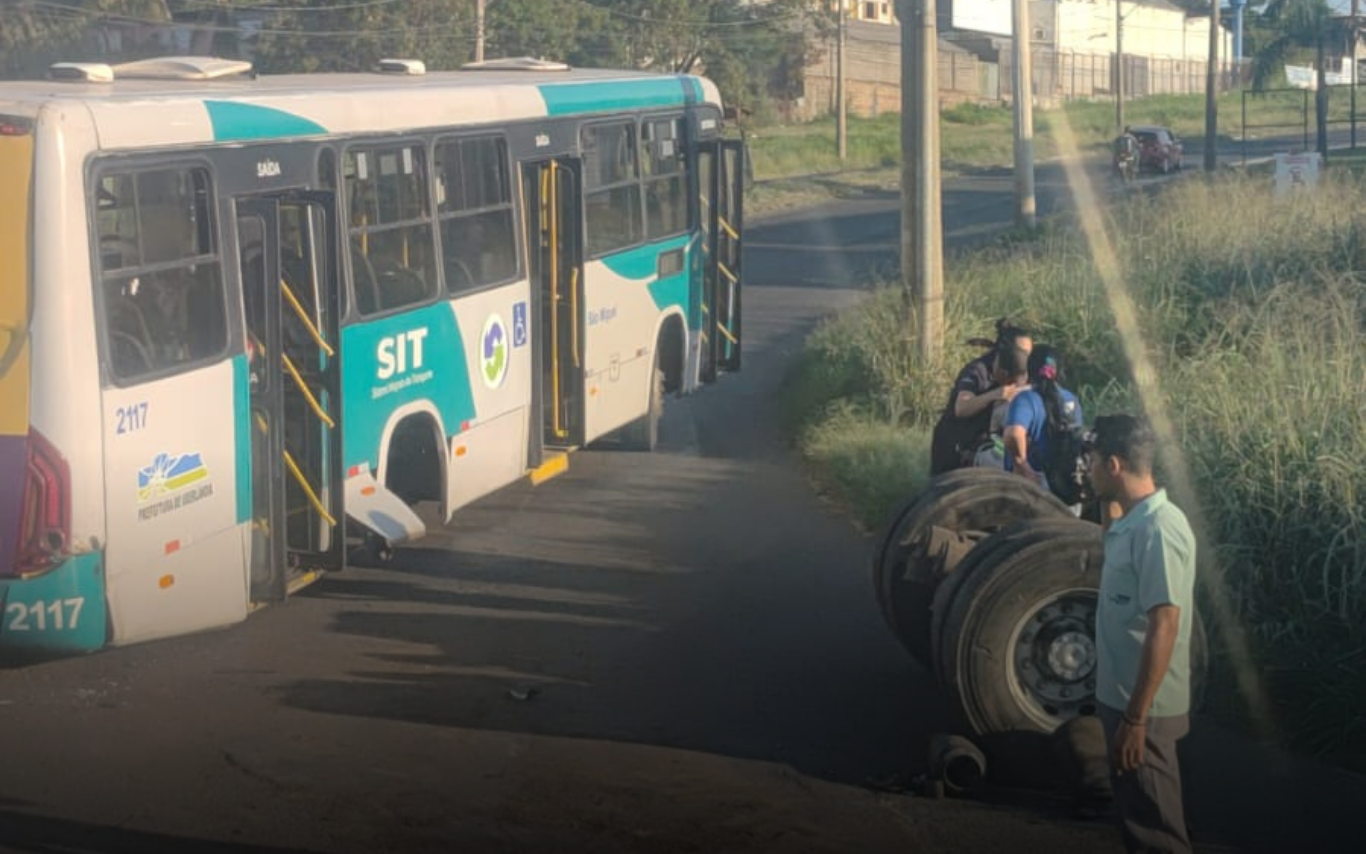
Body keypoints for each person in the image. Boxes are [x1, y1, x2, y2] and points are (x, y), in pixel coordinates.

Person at [1086, 413, 1197, 854]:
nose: (1086, 469)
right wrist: (1103, 499)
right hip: (1125, 701)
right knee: (1138, 823)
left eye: (1092, 462)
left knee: (1157, 834)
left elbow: (1164, 623)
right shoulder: (1132, 521)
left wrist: (1135, 720)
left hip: (1144, 712)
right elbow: (1112, 538)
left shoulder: (1159, 528)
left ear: (1114, 465)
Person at [929, 320, 1032, 475]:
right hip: (954, 444)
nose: (1024, 358)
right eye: (1021, 352)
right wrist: (995, 395)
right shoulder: (978, 371)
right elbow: (961, 408)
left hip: (982, 449)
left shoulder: (1021, 372)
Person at [1002, 344, 1082, 491]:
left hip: (1032, 485)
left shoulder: (1026, 399)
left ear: (1030, 369)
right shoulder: (1072, 400)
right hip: (1065, 485)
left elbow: (1013, 435)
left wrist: (1024, 467)